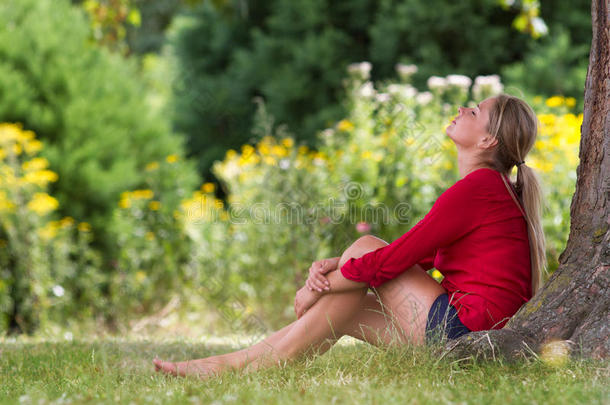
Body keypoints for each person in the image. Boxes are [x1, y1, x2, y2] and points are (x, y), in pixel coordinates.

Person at [153, 93, 547, 378]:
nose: (462, 108)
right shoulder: (490, 189)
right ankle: (239, 367)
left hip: (467, 338)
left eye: (475, 110)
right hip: (469, 343)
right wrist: (331, 267)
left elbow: (393, 259)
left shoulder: (479, 187)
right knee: (346, 312)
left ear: (487, 141)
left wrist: (320, 285)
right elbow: (419, 257)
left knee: (365, 247)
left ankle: (226, 366)